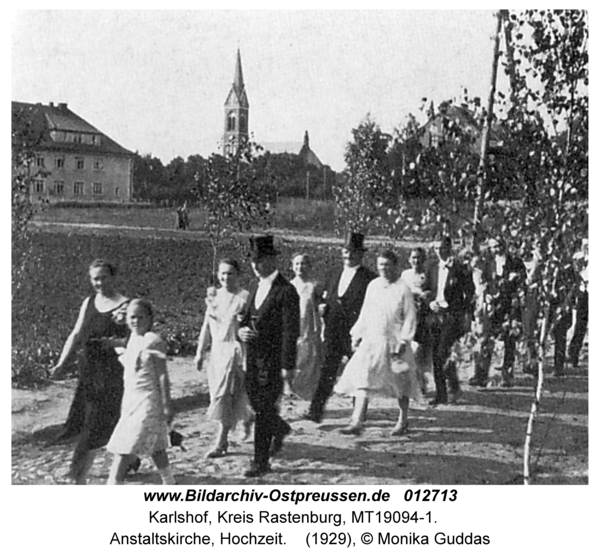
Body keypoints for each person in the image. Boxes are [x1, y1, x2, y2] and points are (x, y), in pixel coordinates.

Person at [50, 259, 129, 484]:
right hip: (89, 370)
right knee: (92, 419)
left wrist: (113, 343)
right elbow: (76, 334)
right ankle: (130, 460)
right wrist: (62, 363)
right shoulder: (89, 302)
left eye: (104, 277)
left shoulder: (127, 305)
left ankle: (76, 474)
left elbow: (138, 339)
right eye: (96, 278)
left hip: (114, 372)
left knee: (95, 421)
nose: (100, 282)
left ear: (114, 277)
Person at [335, 249, 420, 435]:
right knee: (364, 376)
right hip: (373, 339)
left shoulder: (403, 288)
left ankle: (402, 420)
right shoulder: (373, 285)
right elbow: (366, 312)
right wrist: (357, 334)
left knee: (401, 381)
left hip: (396, 342)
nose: (384, 269)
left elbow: (410, 317)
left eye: (388, 265)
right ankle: (357, 421)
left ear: (395, 266)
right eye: (381, 265)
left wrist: (404, 340)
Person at [238, 235, 300, 477]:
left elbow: (290, 331)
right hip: (253, 358)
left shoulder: (286, 291)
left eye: (260, 260)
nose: (255, 265)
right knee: (255, 402)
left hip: (273, 360)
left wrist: (288, 365)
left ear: (272, 260)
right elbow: (245, 318)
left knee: (263, 410)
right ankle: (280, 427)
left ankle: (260, 461)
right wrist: (240, 330)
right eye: (253, 260)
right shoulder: (256, 286)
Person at [304, 232, 377, 423]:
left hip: (356, 334)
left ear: (361, 254)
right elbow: (318, 294)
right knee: (327, 371)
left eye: (353, 252)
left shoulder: (369, 278)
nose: (349, 255)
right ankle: (316, 410)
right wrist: (320, 304)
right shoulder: (333, 273)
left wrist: (365, 333)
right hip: (333, 331)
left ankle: (359, 413)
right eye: (346, 251)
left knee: (360, 373)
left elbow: (374, 307)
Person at [106, 299, 175, 485]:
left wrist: (167, 404)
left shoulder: (154, 341)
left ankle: (113, 484)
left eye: (141, 317)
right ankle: (169, 482)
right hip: (131, 400)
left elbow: (162, 375)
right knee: (155, 446)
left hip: (148, 400)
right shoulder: (132, 339)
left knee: (124, 446)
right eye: (132, 317)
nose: (136, 321)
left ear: (150, 319)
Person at [195, 258, 253, 458]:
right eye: (223, 273)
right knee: (219, 395)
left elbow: (251, 326)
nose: (226, 277)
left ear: (238, 275)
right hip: (217, 353)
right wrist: (200, 351)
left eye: (230, 273)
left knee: (225, 396)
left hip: (236, 352)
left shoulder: (245, 297)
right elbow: (207, 326)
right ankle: (247, 416)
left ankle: (221, 441)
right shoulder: (213, 296)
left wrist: (242, 324)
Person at [469, 238, 526, 388]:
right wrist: (487, 292)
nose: (496, 249)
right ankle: (481, 374)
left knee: (509, 339)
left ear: (505, 246)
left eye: (499, 246)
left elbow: (521, 283)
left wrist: (513, 287)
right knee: (486, 339)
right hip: (492, 306)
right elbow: (483, 281)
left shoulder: (515, 262)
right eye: (493, 247)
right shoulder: (488, 263)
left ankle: (507, 375)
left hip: (509, 305)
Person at [425, 236, 475, 405]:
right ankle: (442, 393)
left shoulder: (460, 269)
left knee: (442, 353)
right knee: (436, 355)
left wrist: (466, 316)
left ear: (450, 248)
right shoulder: (431, 267)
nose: (439, 251)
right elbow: (427, 291)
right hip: (434, 315)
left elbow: (470, 293)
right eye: (436, 248)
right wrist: (431, 303)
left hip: (452, 316)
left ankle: (451, 387)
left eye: (442, 248)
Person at [289, 253, 323, 400]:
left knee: (310, 362)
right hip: (294, 327)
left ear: (309, 266)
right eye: (297, 264)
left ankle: (307, 397)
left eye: (303, 264)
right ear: (292, 267)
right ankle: (293, 392)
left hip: (309, 328)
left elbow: (321, 304)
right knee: (295, 361)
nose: (300, 267)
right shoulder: (288, 286)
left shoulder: (314, 285)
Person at [400, 247, 431, 395]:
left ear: (424, 260)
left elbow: (434, 291)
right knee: (407, 349)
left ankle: (421, 381)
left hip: (423, 317)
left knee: (419, 350)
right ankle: (411, 382)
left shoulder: (428, 275)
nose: (416, 261)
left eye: (419, 258)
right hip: (408, 316)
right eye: (413, 258)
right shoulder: (405, 274)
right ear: (409, 259)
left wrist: (425, 295)